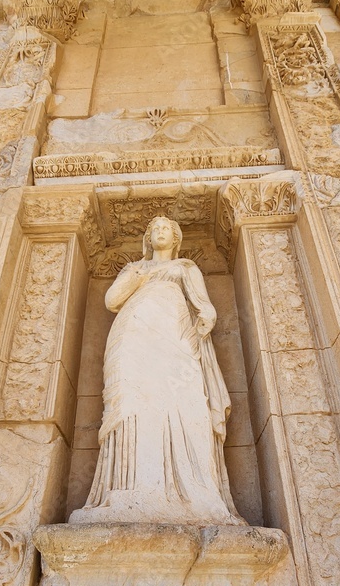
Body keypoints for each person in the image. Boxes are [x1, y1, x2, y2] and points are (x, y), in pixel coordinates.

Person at [70, 216, 242, 525]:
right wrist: (134, 277)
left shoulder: (185, 268)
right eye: (154, 229)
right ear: (148, 238)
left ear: (176, 239)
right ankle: (130, 486)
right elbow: (112, 301)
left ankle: (192, 490)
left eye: (165, 229)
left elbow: (205, 306)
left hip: (175, 335)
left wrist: (207, 318)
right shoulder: (135, 269)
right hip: (133, 338)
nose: (159, 232)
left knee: (184, 401)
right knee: (132, 402)